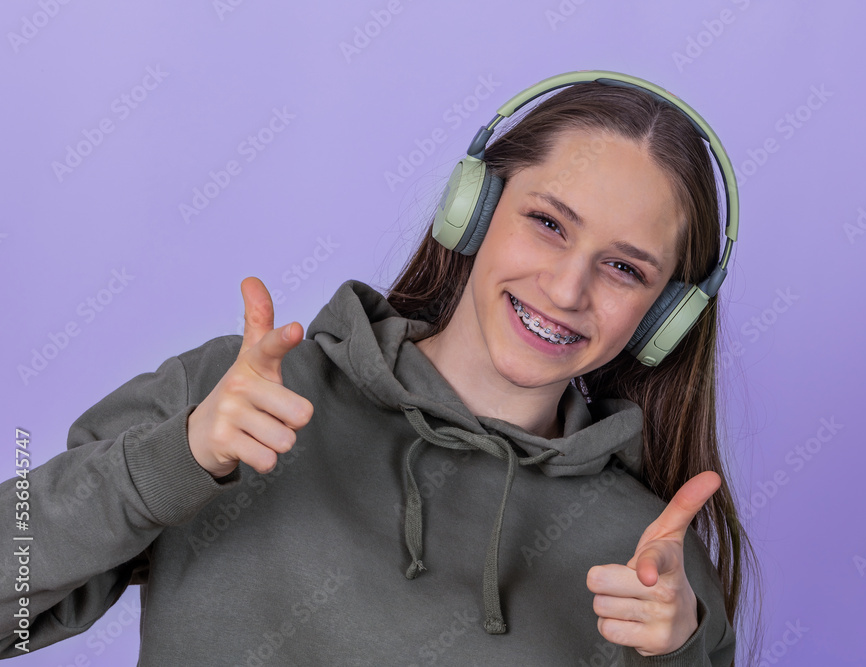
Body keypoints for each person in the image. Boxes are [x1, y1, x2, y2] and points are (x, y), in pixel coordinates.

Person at [1, 71, 761, 665]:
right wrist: (178, 458)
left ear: (668, 316)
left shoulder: (652, 558)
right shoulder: (241, 402)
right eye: (548, 222)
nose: (567, 289)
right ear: (472, 207)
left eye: (625, 268)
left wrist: (679, 655)